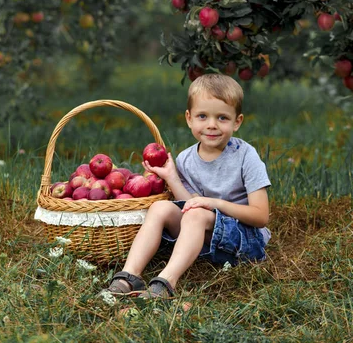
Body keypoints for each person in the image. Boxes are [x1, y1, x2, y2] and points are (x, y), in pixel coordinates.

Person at [106, 73, 271, 299]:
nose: (211, 125)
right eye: (202, 116)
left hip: (244, 240)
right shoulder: (185, 158)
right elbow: (188, 204)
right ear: (189, 118)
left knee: (196, 215)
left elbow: (261, 216)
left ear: (237, 122)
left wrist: (214, 204)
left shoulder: (246, 156)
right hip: (203, 236)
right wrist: (172, 177)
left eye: (222, 118)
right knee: (160, 208)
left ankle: (166, 283)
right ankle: (129, 275)